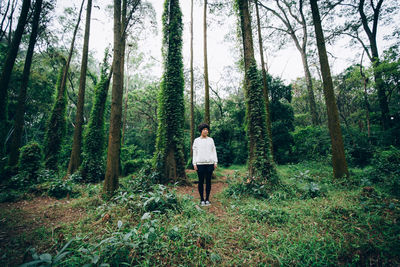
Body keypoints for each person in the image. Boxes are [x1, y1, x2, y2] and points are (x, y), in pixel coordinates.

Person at [192, 123, 218, 206]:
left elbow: (214, 151)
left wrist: (215, 162)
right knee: (201, 181)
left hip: (210, 163)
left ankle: (207, 199)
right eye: (204, 129)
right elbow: (194, 153)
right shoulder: (196, 140)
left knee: (208, 181)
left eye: (207, 129)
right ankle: (202, 199)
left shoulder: (211, 140)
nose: (206, 131)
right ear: (201, 131)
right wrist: (194, 163)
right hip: (200, 164)